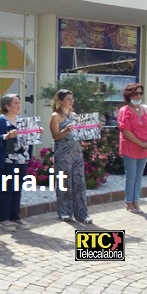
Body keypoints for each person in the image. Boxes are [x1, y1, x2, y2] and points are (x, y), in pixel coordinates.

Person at [0, 94, 37, 231]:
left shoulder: (21, 121)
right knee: (6, 190)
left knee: (17, 190)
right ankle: (4, 219)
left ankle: (15, 217)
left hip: (22, 160)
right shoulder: (1, 120)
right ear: (7, 106)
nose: (18, 105)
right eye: (15, 103)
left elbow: (29, 139)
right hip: (7, 161)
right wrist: (6, 136)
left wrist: (36, 132)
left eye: (19, 102)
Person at [49, 89, 92, 223]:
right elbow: (55, 136)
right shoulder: (55, 116)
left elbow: (82, 133)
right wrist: (65, 130)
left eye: (72, 99)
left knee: (79, 183)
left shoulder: (74, 115)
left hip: (76, 152)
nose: (71, 102)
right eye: (68, 99)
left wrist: (93, 127)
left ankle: (82, 214)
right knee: (64, 182)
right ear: (61, 101)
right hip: (63, 153)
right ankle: (64, 211)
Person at [117, 83, 147, 213]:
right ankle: (129, 202)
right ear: (129, 95)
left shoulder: (146, 109)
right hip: (131, 147)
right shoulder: (124, 110)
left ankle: (136, 201)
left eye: (140, 93)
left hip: (145, 147)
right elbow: (125, 130)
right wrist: (141, 144)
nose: (138, 96)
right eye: (136, 93)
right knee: (131, 176)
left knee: (139, 176)